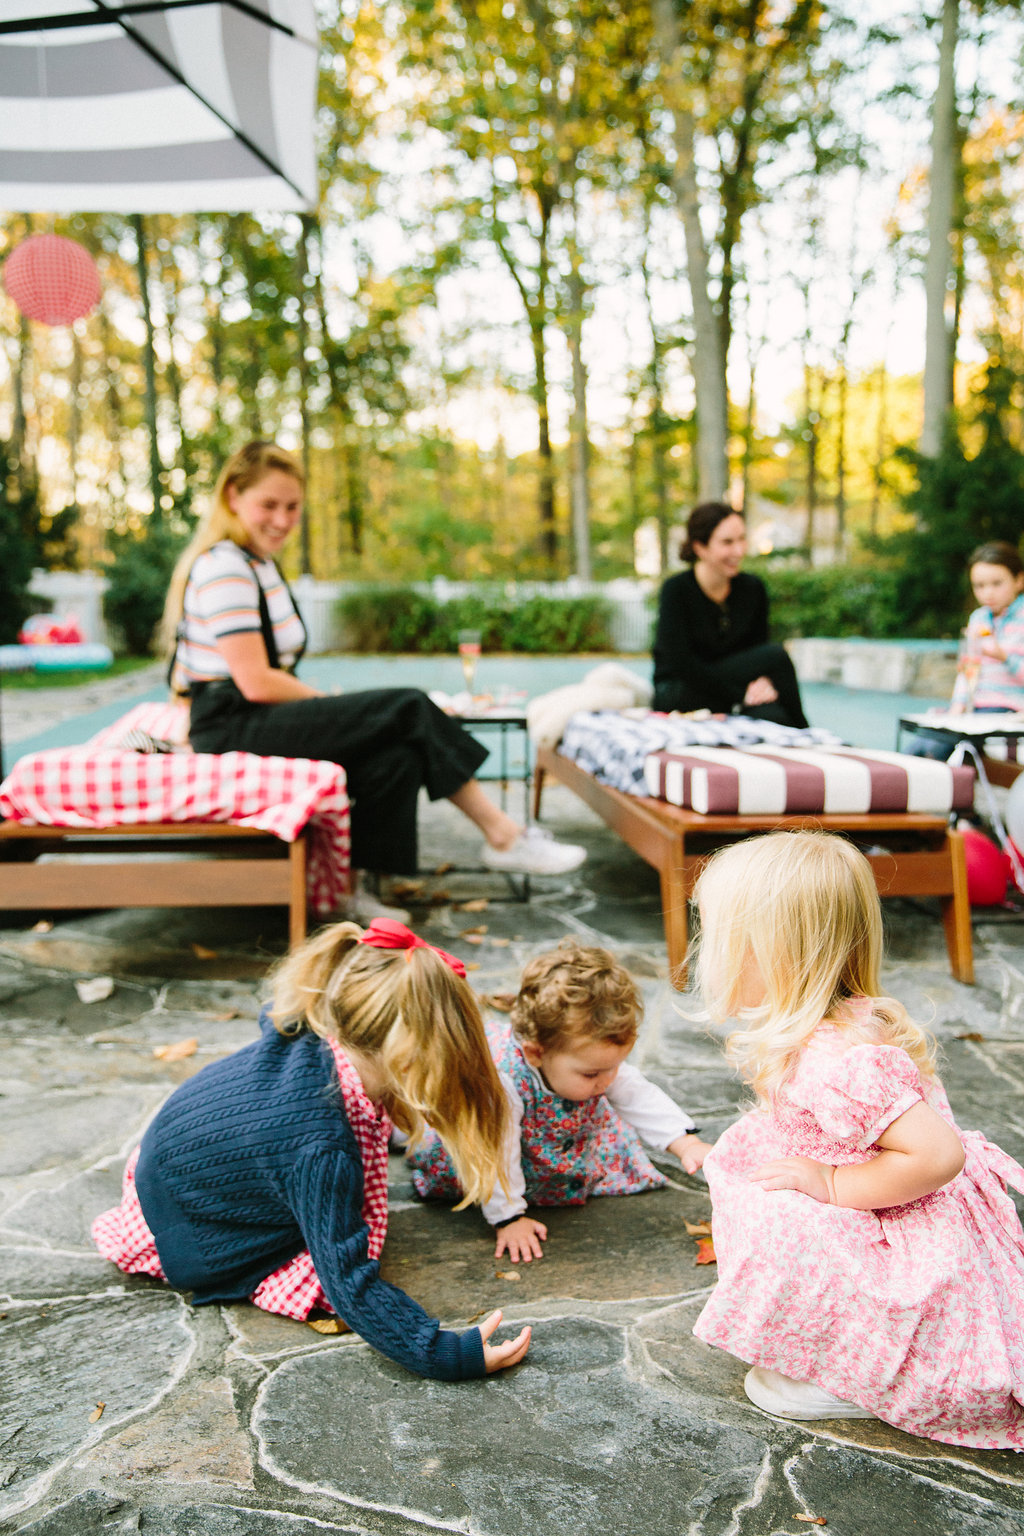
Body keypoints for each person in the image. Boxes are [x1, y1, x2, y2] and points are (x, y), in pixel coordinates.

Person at [690, 830, 1024, 1447]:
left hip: (907, 1222)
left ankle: (853, 1368)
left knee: (786, 1218)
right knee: (754, 1167)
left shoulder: (840, 1060)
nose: (707, 951)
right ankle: (825, 1333)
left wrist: (833, 1183)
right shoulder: (821, 1027)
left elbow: (937, 1155)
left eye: (719, 935)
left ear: (777, 952)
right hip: (883, 1188)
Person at [160, 440, 586, 921]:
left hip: (258, 716)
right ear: (233, 496)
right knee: (406, 706)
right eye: (269, 505)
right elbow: (256, 681)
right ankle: (503, 833)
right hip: (231, 725)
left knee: (398, 753)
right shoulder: (224, 567)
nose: (282, 519)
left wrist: (331, 707)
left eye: (293, 507)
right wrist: (326, 702)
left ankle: (353, 892)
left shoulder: (259, 565)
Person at [92, 918, 531, 1382]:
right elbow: (350, 1282)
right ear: (406, 1059)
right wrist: (444, 1351)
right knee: (328, 1262)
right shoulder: (319, 1147)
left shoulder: (317, 1031)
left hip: (165, 1164)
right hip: (191, 1231)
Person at [408, 937, 712, 1261]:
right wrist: (508, 1216)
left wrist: (684, 1142)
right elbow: (496, 1152)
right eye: (592, 1074)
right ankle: (403, 1127)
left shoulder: (591, 1064)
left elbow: (638, 1095)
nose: (607, 1080)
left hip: (555, 1147)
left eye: (615, 1066)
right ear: (537, 1053)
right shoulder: (504, 1084)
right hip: (498, 1147)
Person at [651, 502, 808, 728]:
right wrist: (739, 694)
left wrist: (760, 684)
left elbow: (758, 652)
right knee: (776, 656)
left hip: (734, 686)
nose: (739, 550)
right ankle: (805, 731)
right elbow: (681, 663)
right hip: (684, 689)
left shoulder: (752, 588)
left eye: (742, 539)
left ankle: (808, 739)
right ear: (700, 547)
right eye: (727, 542)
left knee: (777, 717)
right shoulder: (676, 590)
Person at [906, 541, 1024, 760]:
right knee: (918, 746)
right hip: (974, 708)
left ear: (1019, 580)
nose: (988, 592)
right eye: (979, 585)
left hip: (1008, 709)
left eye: (997, 583)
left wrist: (1002, 655)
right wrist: (957, 706)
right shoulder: (978, 618)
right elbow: (967, 669)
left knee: (937, 749)